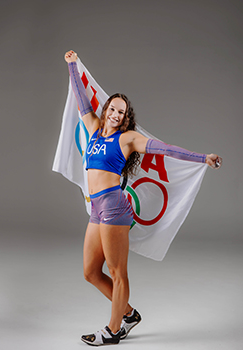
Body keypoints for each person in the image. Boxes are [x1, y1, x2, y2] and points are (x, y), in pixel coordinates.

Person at [64, 50, 222, 346]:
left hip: (114, 206)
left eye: (121, 112)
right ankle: (130, 314)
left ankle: (113, 331)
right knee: (89, 272)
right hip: (95, 207)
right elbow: (81, 100)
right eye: (113, 108)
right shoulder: (94, 130)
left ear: (125, 118)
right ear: (107, 108)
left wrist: (203, 158)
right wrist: (72, 66)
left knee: (116, 271)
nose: (115, 114)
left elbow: (167, 149)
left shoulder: (127, 139)